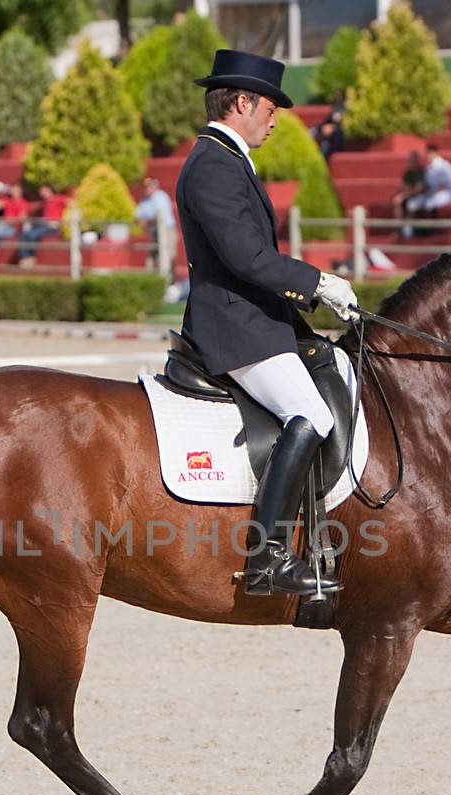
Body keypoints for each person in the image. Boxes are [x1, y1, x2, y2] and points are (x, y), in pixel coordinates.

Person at [177, 48, 360, 598]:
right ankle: (269, 557)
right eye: (270, 108)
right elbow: (246, 257)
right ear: (241, 102)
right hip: (235, 327)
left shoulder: (225, 159)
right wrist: (317, 283)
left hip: (256, 318)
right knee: (310, 412)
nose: (276, 120)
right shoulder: (212, 164)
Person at [397, 143, 451, 238]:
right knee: (412, 204)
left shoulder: (444, 166)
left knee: (430, 203)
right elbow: (427, 184)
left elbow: (444, 185)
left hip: (443, 194)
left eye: (430, 153)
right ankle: (411, 231)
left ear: (436, 153)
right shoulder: (428, 168)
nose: (428, 156)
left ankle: (431, 230)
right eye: (427, 153)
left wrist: (431, 192)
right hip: (430, 193)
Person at [17, 183, 69, 266]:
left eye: (43, 190)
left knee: (32, 235)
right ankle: (25, 257)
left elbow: (70, 202)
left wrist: (63, 220)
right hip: (43, 224)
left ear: (49, 190)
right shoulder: (45, 202)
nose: (41, 192)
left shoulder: (58, 198)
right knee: (25, 234)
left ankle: (31, 257)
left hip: (53, 226)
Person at [133, 176, 175, 267]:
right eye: (146, 186)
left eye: (150, 186)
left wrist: (146, 221)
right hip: (154, 231)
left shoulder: (160, 196)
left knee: (167, 255)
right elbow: (137, 215)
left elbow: (160, 216)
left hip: (166, 231)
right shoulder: (144, 200)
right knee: (152, 256)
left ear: (155, 186)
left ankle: (168, 279)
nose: (148, 188)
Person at [315, 90, 346, 159]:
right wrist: (323, 127)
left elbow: (343, 123)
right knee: (313, 131)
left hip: (337, 135)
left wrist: (333, 127)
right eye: (336, 95)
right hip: (328, 132)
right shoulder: (336, 106)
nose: (337, 97)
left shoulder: (344, 107)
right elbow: (328, 120)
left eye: (339, 95)